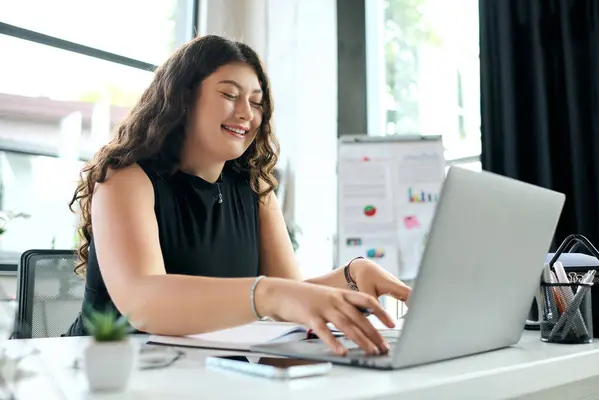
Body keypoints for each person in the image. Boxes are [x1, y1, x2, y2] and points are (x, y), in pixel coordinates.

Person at [65, 35, 411, 356]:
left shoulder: (254, 187)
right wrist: (267, 294)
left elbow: (289, 299)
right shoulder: (125, 177)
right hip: (108, 373)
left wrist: (352, 275)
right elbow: (143, 302)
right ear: (183, 98)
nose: (246, 113)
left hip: (201, 372)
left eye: (256, 102)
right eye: (230, 95)